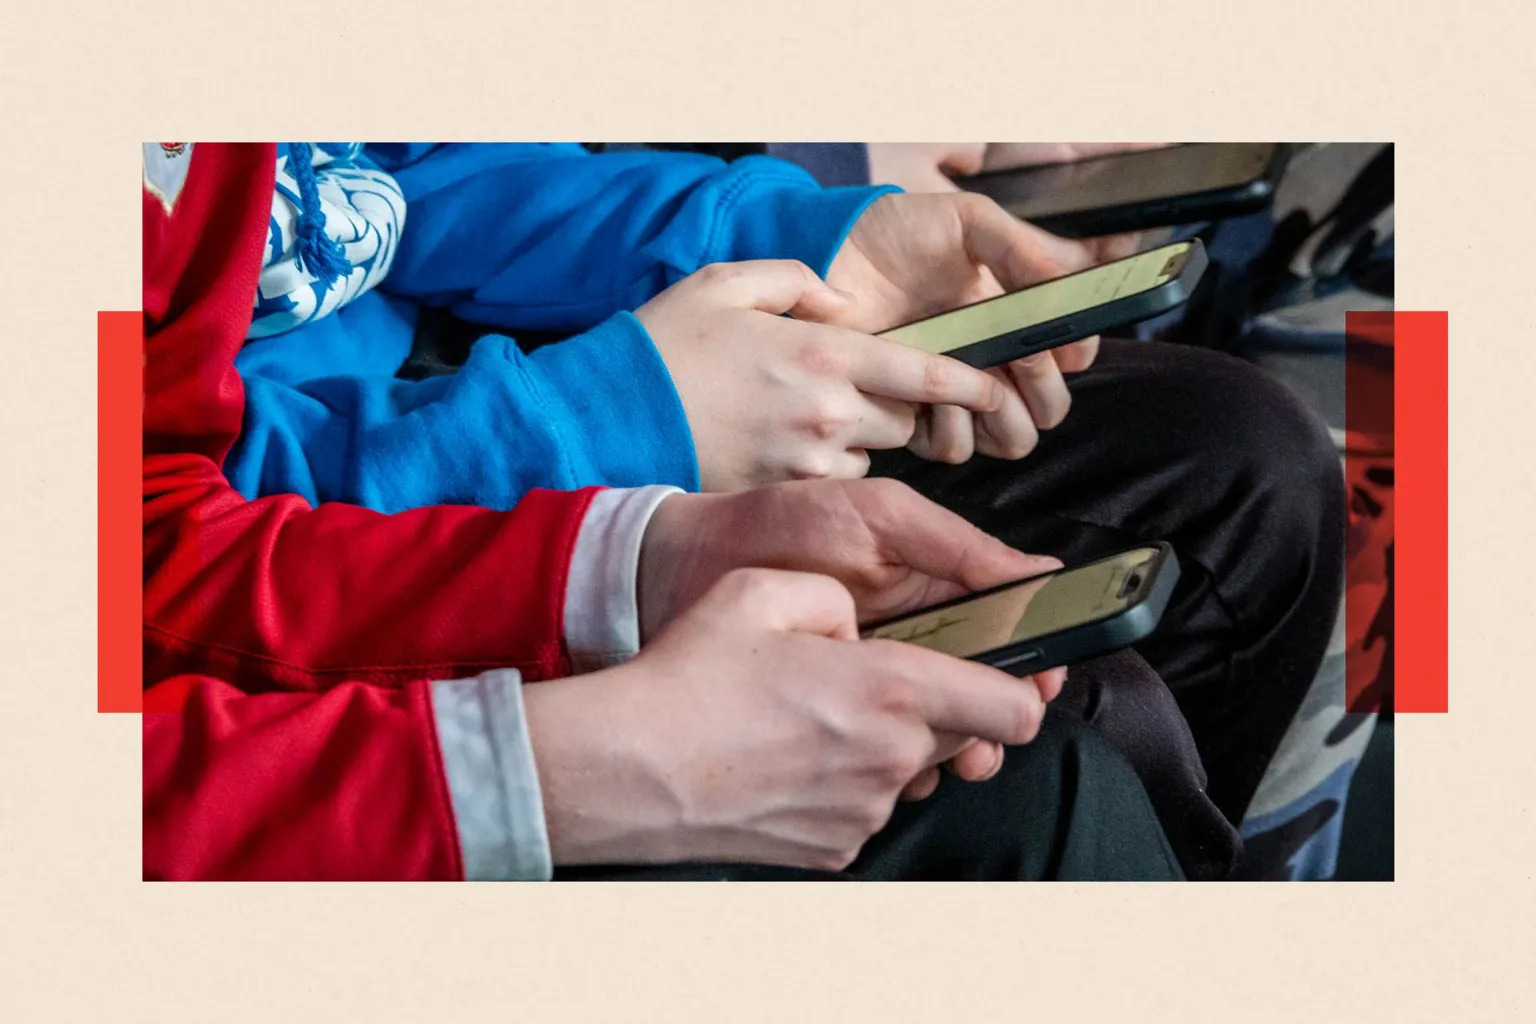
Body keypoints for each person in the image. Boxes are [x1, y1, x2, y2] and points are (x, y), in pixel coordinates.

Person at [218, 142, 1342, 876]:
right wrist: (613, 420)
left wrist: (797, 235)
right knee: (1056, 756)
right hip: (339, 540)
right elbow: (157, 537)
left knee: (1252, 465)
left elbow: (413, 172)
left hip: (489, 382)